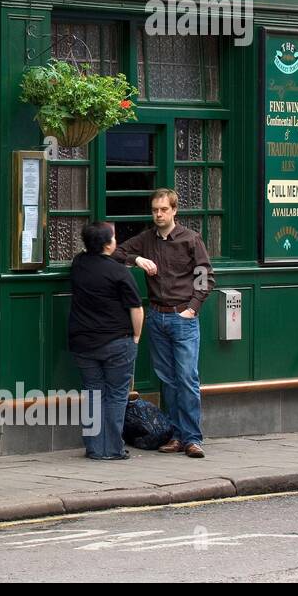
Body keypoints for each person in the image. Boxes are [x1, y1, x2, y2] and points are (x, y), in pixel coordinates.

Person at [113, 188, 215, 458]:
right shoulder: (146, 239)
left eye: (163, 210)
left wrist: (192, 309)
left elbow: (205, 277)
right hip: (157, 316)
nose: (158, 214)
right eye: (155, 210)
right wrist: (137, 259)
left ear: (174, 211)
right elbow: (115, 253)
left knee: (187, 379)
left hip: (183, 317)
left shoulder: (191, 239)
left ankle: (192, 438)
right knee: (167, 380)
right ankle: (174, 435)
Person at [69, 222, 144, 461]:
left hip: (82, 341)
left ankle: (94, 448)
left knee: (93, 393)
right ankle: (112, 449)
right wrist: (137, 336)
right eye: (113, 238)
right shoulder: (119, 272)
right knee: (116, 394)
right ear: (108, 244)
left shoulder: (78, 264)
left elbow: (82, 254)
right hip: (116, 341)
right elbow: (136, 308)